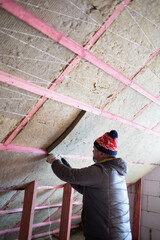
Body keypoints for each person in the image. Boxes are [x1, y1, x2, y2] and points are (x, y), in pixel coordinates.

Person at [46, 130, 132, 240]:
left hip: (107, 235)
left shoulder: (102, 171)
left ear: (102, 153)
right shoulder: (115, 172)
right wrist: (70, 171)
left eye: (94, 149)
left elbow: (69, 175)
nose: (92, 151)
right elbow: (86, 189)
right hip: (117, 234)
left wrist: (54, 161)